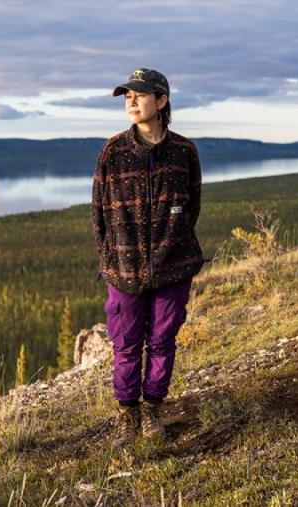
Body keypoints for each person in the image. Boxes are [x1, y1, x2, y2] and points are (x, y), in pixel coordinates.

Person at [91, 68, 204, 448]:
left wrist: (171, 242)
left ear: (162, 100)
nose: (132, 101)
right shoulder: (113, 151)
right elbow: (99, 212)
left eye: (139, 95)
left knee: (162, 341)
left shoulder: (184, 151)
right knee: (125, 344)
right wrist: (113, 256)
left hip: (173, 266)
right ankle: (128, 413)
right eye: (127, 96)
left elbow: (192, 207)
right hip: (123, 269)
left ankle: (152, 409)